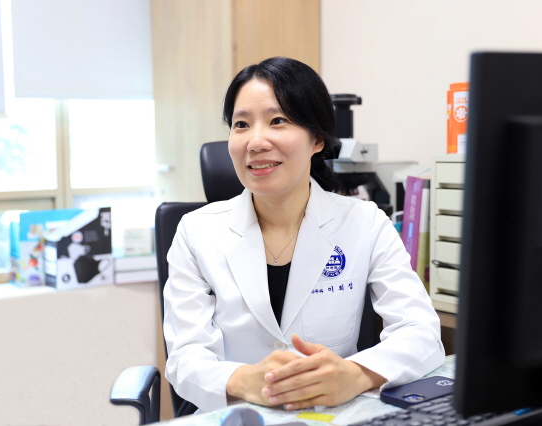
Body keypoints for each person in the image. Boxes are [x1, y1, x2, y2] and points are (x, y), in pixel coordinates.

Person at [163, 57, 445, 414]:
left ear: (317, 139)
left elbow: (420, 331)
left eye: (277, 120)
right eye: (241, 124)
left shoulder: (365, 223)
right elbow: (185, 356)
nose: (256, 141)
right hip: (235, 414)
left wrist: (356, 375)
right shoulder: (196, 231)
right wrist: (246, 381)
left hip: (331, 413)